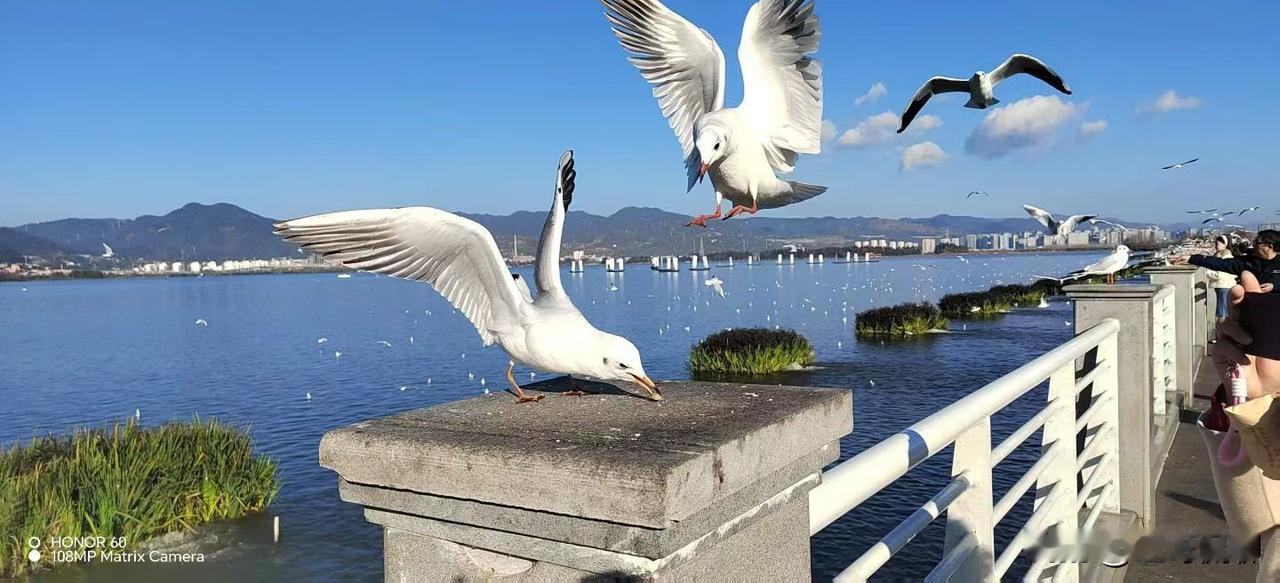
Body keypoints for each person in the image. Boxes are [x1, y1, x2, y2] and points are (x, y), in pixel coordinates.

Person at [1173, 229, 1280, 292]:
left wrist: (1274, 286)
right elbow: (1221, 263)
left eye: (1257, 243)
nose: (1253, 245)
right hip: (1253, 310)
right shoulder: (1247, 262)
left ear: (1269, 246)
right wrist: (1192, 258)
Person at [1209, 235, 1239, 321]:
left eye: (1217, 244)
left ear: (1224, 245)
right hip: (1224, 285)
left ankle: (1223, 327)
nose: (1215, 246)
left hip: (1223, 285)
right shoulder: (1223, 255)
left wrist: (1207, 273)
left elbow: (1220, 274)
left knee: (1222, 311)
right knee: (1223, 309)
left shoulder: (1225, 257)